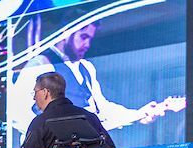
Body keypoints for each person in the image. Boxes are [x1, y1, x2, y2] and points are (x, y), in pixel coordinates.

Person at [10, 19, 185, 135]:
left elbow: (102, 109)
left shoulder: (86, 67)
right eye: (83, 37)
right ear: (65, 33)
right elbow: (17, 113)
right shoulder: (42, 63)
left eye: (90, 39)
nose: (87, 44)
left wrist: (138, 114)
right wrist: (45, 137)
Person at [18, 72, 114, 148]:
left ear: (45, 92)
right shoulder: (90, 117)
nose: (34, 98)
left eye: (35, 92)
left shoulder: (39, 122)